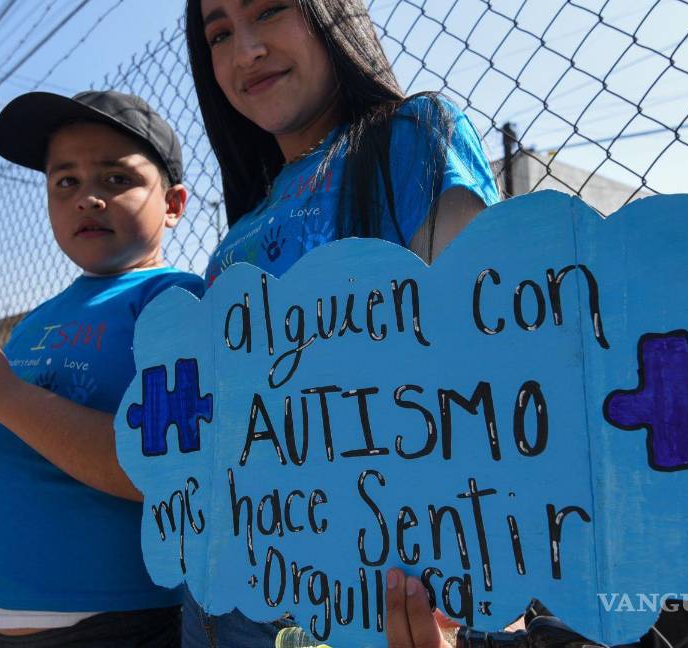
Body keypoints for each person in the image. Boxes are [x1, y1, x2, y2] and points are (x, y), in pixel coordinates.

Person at [183, 0, 500, 644]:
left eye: (269, 10)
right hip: (228, 587)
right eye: (218, 34)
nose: (245, 51)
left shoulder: (411, 134)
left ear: (336, 15)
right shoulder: (238, 232)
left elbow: (482, 361)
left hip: (386, 590)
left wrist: (464, 581)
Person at [0, 89, 203, 647]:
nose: (87, 198)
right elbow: (13, 435)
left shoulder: (175, 300)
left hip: (116, 625)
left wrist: (3, 396)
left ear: (174, 204)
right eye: (65, 181)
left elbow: (164, 471)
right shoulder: (40, 319)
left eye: (117, 180)